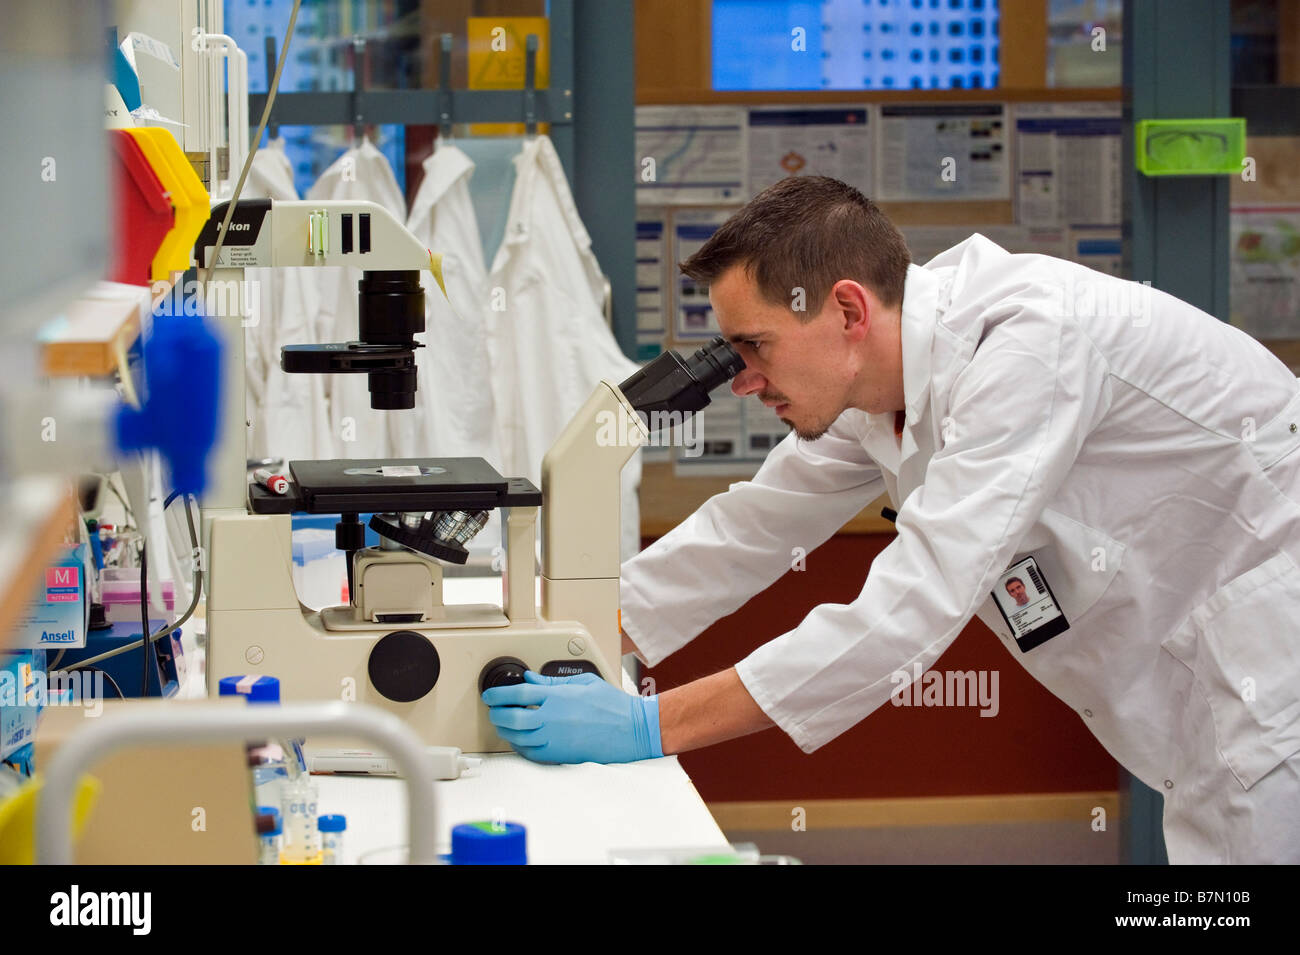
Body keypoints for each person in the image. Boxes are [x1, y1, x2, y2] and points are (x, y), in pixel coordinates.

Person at [482, 175, 1300, 863]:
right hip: (1201, 690)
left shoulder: (1027, 345)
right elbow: (749, 529)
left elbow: (908, 608)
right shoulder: (878, 394)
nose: (742, 381)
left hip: (1266, 669)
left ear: (846, 310)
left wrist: (650, 723)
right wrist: (562, 631)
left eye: (754, 346)